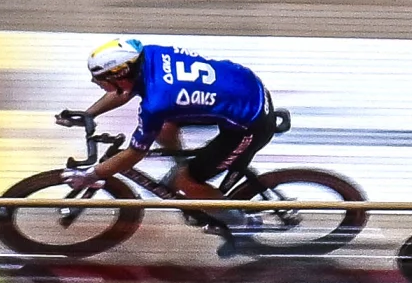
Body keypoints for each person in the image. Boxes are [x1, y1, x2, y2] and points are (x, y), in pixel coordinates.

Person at [60, 37, 281, 220]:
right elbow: (124, 90)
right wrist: (89, 114)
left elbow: (135, 153)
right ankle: (183, 167)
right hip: (245, 84)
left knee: (186, 182)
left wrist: (93, 174)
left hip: (252, 122)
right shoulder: (149, 55)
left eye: (100, 79)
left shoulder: (156, 103)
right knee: (166, 127)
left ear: (120, 74)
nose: (96, 83)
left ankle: (241, 225)